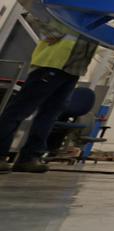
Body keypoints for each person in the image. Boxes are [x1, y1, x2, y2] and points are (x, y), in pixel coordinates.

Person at [0, 14, 99, 173]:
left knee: (50, 115)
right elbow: (34, 13)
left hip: (73, 70)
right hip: (51, 64)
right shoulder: (68, 6)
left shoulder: (97, 16)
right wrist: (52, 33)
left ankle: (30, 157)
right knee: (20, 110)